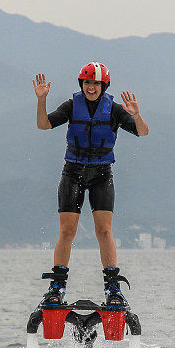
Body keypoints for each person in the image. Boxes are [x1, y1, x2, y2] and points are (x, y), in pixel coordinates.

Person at [33, 62, 149, 307]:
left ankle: (113, 289)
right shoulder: (71, 106)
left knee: (104, 231)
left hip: (101, 174)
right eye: (87, 83)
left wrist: (136, 115)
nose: (91, 87)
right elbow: (43, 125)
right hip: (72, 172)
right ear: (82, 84)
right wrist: (42, 100)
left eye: (96, 83)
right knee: (67, 230)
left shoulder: (115, 110)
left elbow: (143, 132)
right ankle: (57, 288)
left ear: (103, 85)